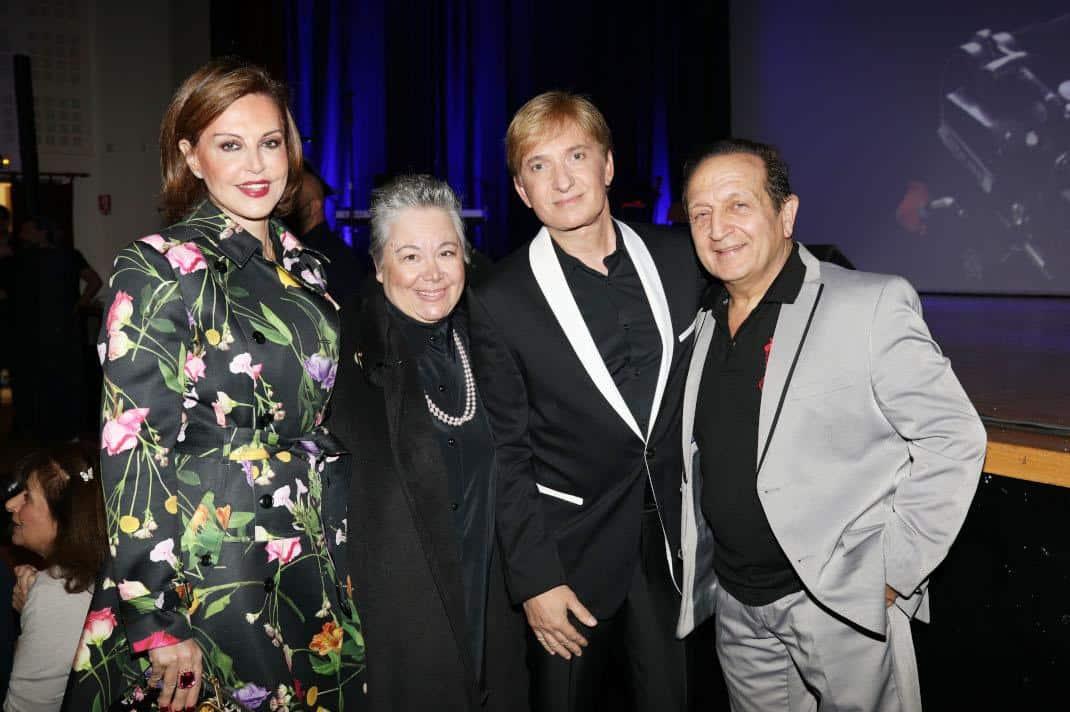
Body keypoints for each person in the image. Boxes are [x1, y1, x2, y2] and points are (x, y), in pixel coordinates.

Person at [63, 58, 364, 712]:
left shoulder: (308, 270)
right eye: (230, 145)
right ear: (191, 157)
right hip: (213, 565)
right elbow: (134, 449)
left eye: (270, 142)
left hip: (312, 552)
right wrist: (157, 620)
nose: (256, 165)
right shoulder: (159, 268)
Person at [674, 138, 987, 711]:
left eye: (739, 205)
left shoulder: (868, 305)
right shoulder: (703, 322)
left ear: (786, 213)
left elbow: (953, 436)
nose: (718, 229)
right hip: (738, 606)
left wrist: (893, 569)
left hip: (840, 604)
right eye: (701, 213)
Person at [468, 91, 703, 711]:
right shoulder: (499, 300)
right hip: (569, 558)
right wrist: (535, 580)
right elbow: (505, 454)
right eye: (539, 166)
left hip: (678, 548)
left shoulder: (682, 258)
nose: (563, 179)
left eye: (576, 155)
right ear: (522, 191)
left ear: (608, 165)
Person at [329, 174, 528, 711]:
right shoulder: (344, 363)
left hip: (492, 605)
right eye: (410, 256)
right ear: (379, 265)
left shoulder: (492, 342)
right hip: (401, 626)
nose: (433, 273)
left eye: (446, 251)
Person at [3, 444, 106, 712]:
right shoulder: (100, 571)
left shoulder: (57, 590)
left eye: (28, 497)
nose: (10, 505)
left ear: (65, 519)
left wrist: (35, 609)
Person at [10, 215, 102, 441]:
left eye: (27, 231)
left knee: (51, 378)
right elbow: (94, 281)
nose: (22, 235)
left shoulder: (30, 258)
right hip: (53, 327)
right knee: (57, 378)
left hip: (46, 328)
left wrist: (79, 304)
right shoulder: (61, 255)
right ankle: (61, 430)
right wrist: (79, 305)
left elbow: (94, 281)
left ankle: (51, 430)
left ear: (42, 232)